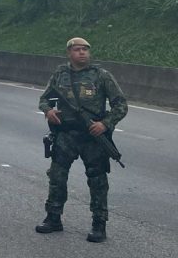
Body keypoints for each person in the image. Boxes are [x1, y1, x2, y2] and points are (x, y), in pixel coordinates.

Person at [35, 37, 127, 242]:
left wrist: (105, 124)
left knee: (97, 180)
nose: (82, 52)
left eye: (86, 49)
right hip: (66, 135)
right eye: (78, 49)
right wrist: (48, 111)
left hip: (93, 137)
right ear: (69, 53)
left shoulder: (102, 76)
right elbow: (44, 99)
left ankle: (99, 224)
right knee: (57, 177)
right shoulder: (60, 74)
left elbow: (120, 104)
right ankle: (53, 218)